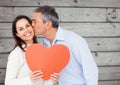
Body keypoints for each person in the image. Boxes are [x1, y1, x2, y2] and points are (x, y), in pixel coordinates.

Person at [32, 5, 98, 85]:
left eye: (35, 21)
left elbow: (90, 70)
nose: (32, 25)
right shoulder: (44, 45)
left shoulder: (74, 40)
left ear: (48, 24)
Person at [5, 15, 59, 85]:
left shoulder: (41, 50)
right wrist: (29, 79)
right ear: (17, 34)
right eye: (21, 29)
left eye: (27, 26)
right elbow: (8, 82)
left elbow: (43, 82)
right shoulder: (17, 53)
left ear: (32, 27)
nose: (26, 30)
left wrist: (52, 80)